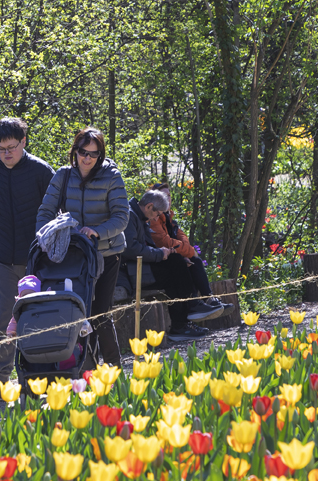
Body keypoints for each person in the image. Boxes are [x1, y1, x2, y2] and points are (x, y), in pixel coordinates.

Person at [0, 117, 55, 403]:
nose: (6, 153)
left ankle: (37, 378)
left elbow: (56, 218)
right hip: (0, 258)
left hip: (36, 259)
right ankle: (0, 382)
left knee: (36, 318)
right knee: (4, 318)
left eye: (11, 147)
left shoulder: (42, 171)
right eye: (0, 148)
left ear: (23, 142)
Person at [36, 127, 128, 366]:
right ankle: (85, 369)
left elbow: (122, 216)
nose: (87, 158)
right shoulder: (63, 176)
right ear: (74, 151)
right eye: (82, 152)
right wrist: (45, 236)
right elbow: (45, 212)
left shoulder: (112, 177)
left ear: (101, 155)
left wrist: (97, 231)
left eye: (93, 154)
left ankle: (114, 367)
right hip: (74, 255)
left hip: (106, 252)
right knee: (77, 311)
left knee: (99, 312)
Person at [123, 189, 220, 342]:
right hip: (132, 271)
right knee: (175, 268)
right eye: (157, 213)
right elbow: (131, 249)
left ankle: (182, 323)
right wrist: (160, 254)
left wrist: (166, 254)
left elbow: (147, 246)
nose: (156, 218)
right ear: (149, 207)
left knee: (179, 264)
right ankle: (189, 310)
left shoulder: (141, 217)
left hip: (142, 266)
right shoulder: (129, 216)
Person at [145, 182, 226, 316]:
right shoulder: (153, 218)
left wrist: (187, 252)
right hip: (157, 262)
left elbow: (182, 236)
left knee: (195, 261)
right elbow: (163, 241)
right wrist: (186, 252)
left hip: (170, 257)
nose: (168, 199)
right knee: (181, 263)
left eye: (169, 195)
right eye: (164, 196)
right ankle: (193, 305)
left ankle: (209, 299)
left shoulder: (168, 218)